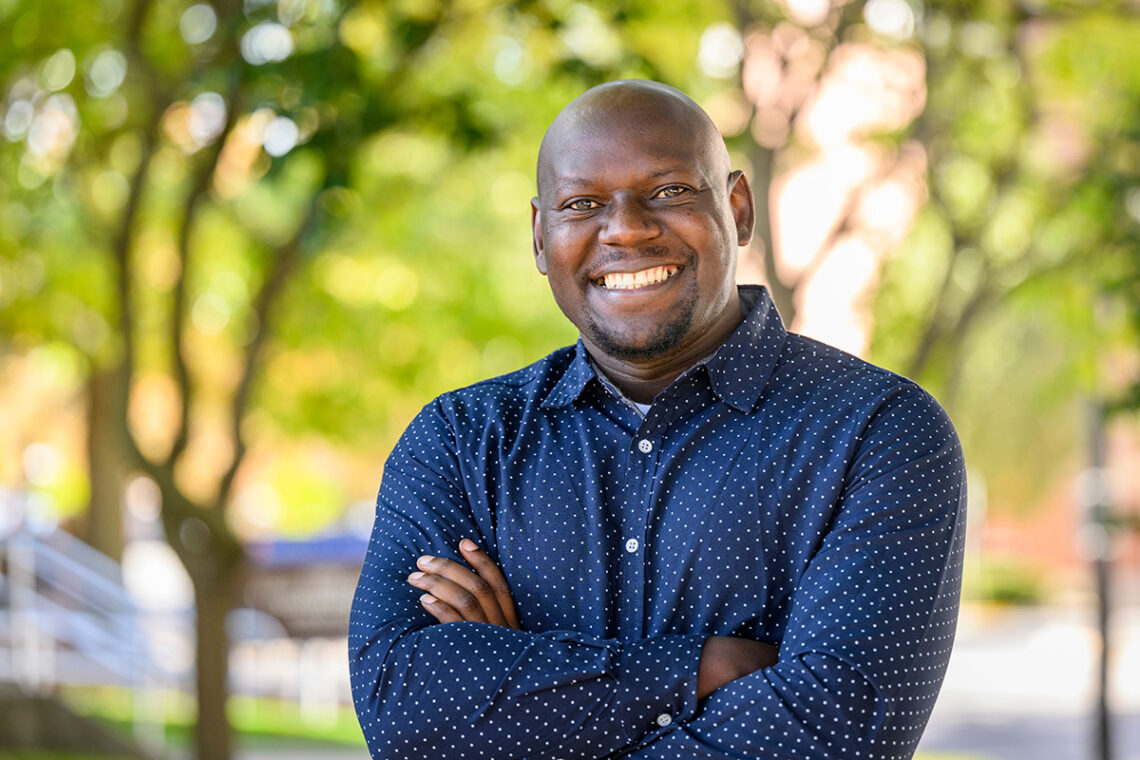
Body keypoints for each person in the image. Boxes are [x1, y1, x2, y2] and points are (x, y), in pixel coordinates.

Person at [349, 80, 966, 760]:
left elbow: (830, 738)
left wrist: (516, 686)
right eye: (582, 204)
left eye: (669, 191)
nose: (626, 229)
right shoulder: (462, 441)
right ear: (539, 235)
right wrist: (704, 669)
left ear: (737, 208)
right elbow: (400, 708)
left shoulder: (878, 433)